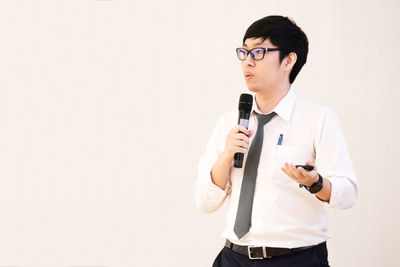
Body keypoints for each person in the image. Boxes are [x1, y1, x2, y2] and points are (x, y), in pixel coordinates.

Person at [193, 15, 358, 267]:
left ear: (288, 60)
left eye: (258, 52)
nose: (248, 61)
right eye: (244, 52)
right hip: (233, 258)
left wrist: (315, 183)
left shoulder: (318, 119)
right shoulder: (229, 123)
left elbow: (346, 194)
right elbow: (204, 202)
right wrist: (226, 156)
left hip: (297, 259)